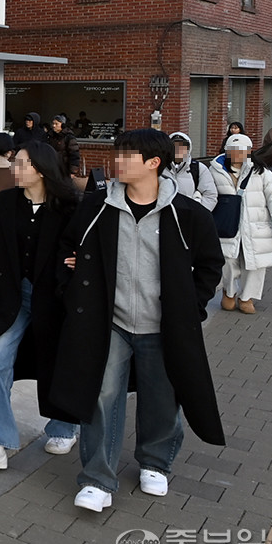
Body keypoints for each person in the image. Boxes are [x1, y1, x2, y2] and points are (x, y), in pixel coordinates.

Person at [51, 129, 225, 513]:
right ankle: (97, 478)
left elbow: (211, 266)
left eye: (126, 156)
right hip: (108, 323)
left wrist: (189, 309)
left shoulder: (188, 213)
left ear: (153, 163)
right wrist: (72, 284)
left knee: (162, 398)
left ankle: (155, 462)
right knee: (101, 396)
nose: (117, 162)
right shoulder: (96, 206)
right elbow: (68, 248)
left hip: (162, 326)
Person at [0, 142, 80, 471]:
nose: (14, 168)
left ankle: (63, 427)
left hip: (55, 299)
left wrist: (79, 263)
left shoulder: (69, 207)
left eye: (21, 164)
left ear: (41, 169)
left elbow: (87, 246)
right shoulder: (4, 203)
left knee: (57, 362)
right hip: (10, 296)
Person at [207, 133, 272, 314]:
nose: (237, 154)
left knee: (254, 264)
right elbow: (207, 195)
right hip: (227, 226)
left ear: (249, 151)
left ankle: (247, 297)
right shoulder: (215, 170)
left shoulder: (261, 172)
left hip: (257, 227)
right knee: (228, 261)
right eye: (233, 149)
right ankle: (229, 292)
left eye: (242, 150)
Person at [168, 131, 216, 211]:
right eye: (175, 147)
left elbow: (210, 195)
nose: (178, 150)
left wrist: (199, 214)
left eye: (182, 147)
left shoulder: (198, 168)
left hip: (189, 218)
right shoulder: (160, 168)